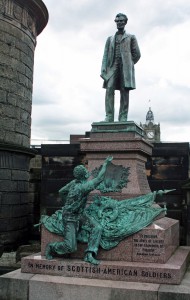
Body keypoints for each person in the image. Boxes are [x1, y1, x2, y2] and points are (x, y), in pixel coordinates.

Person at [45, 156, 113, 265]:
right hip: (70, 218)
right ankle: (52, 247)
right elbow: (99, 178)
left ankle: (89, 254)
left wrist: (66, 204)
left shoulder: (74, 183)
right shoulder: (83, 187)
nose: (88, 172)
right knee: (71, 247)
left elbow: (61, 191)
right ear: (85, 175)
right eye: (86, 171)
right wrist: (105, 163)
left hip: (80, 215)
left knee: (97, 227)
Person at [101, 13, 141, 122]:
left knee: (124, 91)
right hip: (112, 67)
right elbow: (105, 55)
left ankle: (123, 116)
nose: (119, 23)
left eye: (121, 21)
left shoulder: (131, 37)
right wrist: (103, 68)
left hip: (125, 68)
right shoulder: (110, 39)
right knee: (109, 89)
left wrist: (129, 63)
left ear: (125, 22)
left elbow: (137, 54)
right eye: (117, 21)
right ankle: (109, 116)